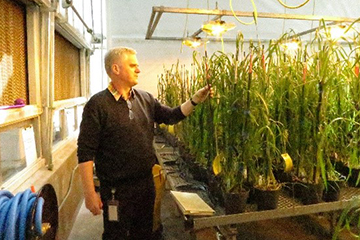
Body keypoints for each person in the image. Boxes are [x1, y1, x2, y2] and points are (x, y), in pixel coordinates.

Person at [77, 46, 213, 240]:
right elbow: (85, 152)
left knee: (144, 232)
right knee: (116, 235)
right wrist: (90, 193)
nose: (138, 70)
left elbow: (172, 116)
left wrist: (195, 100)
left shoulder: (145, 98)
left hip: (145, 185)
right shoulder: (97, 105)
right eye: (133, 66)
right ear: (116, 69)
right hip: (116, 190)